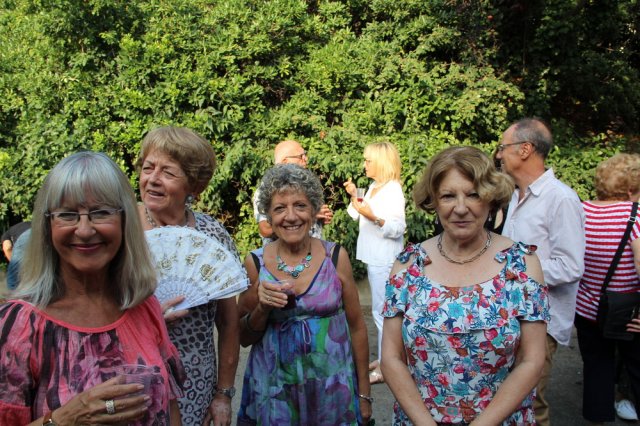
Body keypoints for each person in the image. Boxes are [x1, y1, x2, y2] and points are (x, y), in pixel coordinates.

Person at [0, 151, 184, 425]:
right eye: (67, 215)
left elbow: (170, 408)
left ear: (125, 222)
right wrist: (64, 418)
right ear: (47, 226)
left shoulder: (143, 307)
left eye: (101, 213)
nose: (84, 230)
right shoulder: (20, 326)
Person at [381, 146, 549, 424]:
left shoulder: (521, 265)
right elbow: (390, 358)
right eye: (448, 196)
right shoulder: (408, 265)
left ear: (490, 198)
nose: (461, 208)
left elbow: (531, 360)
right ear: (434, 201)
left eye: (473, 194)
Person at [237, 164, 372, 425]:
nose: (291, 216)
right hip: (275, 392)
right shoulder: (255, 263)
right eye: (279, 208)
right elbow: (242, 337)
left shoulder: (335, 257)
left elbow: (357, 327)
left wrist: (364, 394)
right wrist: (262, 309)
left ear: (313, 210)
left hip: (331, 391)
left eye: (300, 205)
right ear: (268, 216)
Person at [137, 126, 241, 425]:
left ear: (194, 186)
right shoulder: (119, 228)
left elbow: (228, 323)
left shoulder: (212, 235)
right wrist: (144, 316)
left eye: (168, 172)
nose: (153, 179)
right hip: (132, 373)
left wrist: (223, 394)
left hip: (194, 381)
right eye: (148, 168)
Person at [496, 117, 586, 426]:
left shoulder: (561, 199)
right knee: (506, 402)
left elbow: (571, 267)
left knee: (531, 405)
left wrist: (513, 267)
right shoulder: (514, 195)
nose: (498, 154)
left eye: (502, 147)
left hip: (541, 323)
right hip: (510, 316)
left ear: (525, 149)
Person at [574, 153, 640, 425]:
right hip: (628, 312)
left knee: (596, 365)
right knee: (637, 368)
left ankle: (598, 418)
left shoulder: (580, 211)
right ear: (630, 188)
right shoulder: (635, 215)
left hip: (587, 308)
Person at [343, 141, 406, 384]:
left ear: (380, 162)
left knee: (382, 313)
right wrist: (354, 196)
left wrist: (374, 218)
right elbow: (357, 212)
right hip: (374, 256)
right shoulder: (373, 186)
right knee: (380, 311)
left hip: (385, 257)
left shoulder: (392, 190)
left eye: (368, 160)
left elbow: (398, 228)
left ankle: (386, 367)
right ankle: (383, 361)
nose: (364, 165)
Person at [253, 139, 333, 245]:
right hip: (283, 254)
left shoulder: (307, 185)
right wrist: (312, 214)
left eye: (305, 155)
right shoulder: (268, 189)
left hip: (315, 252)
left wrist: (320, 219)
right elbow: (265, 230)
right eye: (301, 156)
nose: (306, 159)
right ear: (285, 161)